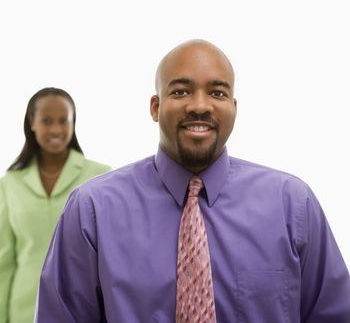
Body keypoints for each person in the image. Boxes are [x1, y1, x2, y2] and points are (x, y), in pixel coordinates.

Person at [36, 42, 350, 322]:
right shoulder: (92, 210)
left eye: (217, 92)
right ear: (155, 107)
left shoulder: (292, 205)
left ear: (234, 108)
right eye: (181, 91)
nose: (200, 105)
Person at [0, 87, 111, 323]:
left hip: (81, 310)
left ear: (74, 123)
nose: (56, 129)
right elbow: (4, 262)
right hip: (22, 311)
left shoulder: (100, 177)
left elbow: (111, 257)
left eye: (63, 121)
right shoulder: (10, 184)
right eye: (47, 121)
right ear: (32, 122)